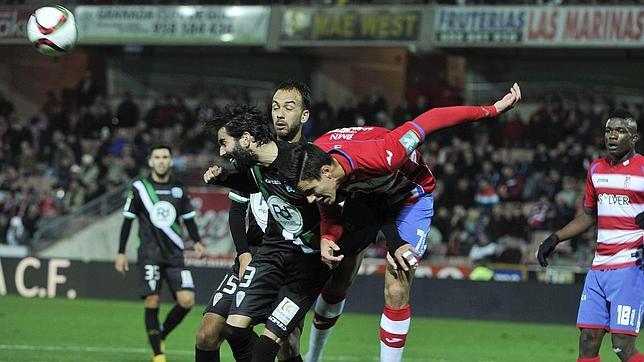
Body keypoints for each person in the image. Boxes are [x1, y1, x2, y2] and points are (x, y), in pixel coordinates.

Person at [282, 83, 521, 362]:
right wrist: (327, 236)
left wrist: (491, 110)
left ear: (327, 172)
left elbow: (432, 118)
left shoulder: (384, 153)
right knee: (339, 278)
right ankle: (313, 357)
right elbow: (328, 203)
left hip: (410, 197)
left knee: (397, 281)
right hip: (367, 198)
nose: (312, 199)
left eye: (312, 191)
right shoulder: (316, 164)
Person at [202, 89, 334, 362]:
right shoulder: (255, 160)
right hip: (266, 255)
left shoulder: (308, 160)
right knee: (224, 331)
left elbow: (334, 204)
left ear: (304, 115)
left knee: (285, 347)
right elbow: (243, 200)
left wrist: (329, 237)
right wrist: (225, 178)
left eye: (288, 107)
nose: (279, 113)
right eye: (275, 107)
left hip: (303, 265)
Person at [537, 110, 643, 362]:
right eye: (608, 131)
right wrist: (555, 238)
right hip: (598, 268)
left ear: (634, 137)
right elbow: (588, 216)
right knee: (587, 341)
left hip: (631, 267)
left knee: (622, 345)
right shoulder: (596, 169)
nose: (612, 136)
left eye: (620, 131)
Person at [115, 144, 205, 362]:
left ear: (170, 161)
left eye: (165, 156)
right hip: (150, 254)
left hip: (175, 256)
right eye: (157, 157)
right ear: (151, 161)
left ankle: (160, 334)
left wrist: (197, 241)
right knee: (152, 301)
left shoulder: (179, 188)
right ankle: (158, 354)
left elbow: (189, 219)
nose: (162, 160)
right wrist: (121, 252)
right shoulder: (140, 187)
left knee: (187, 301)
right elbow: (128, 221)